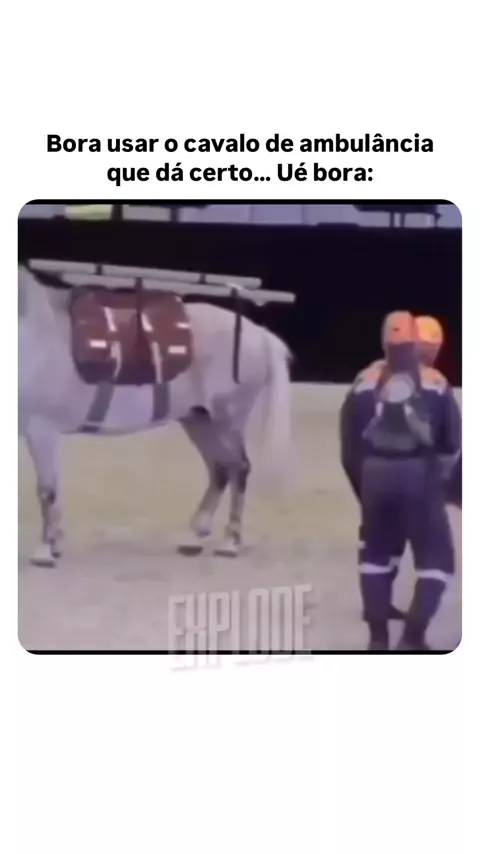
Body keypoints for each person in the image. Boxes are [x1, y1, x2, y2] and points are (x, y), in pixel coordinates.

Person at [340, 311, 461, 651]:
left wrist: (364, 490)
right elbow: (452, 445)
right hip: (418, 478)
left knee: (376, 557)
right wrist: (440, 487)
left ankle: (378, 638)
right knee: (437, 562)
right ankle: (412, 637)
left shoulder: (363, 380)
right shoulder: (435, 383)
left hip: (373, 477)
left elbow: (349, 447)